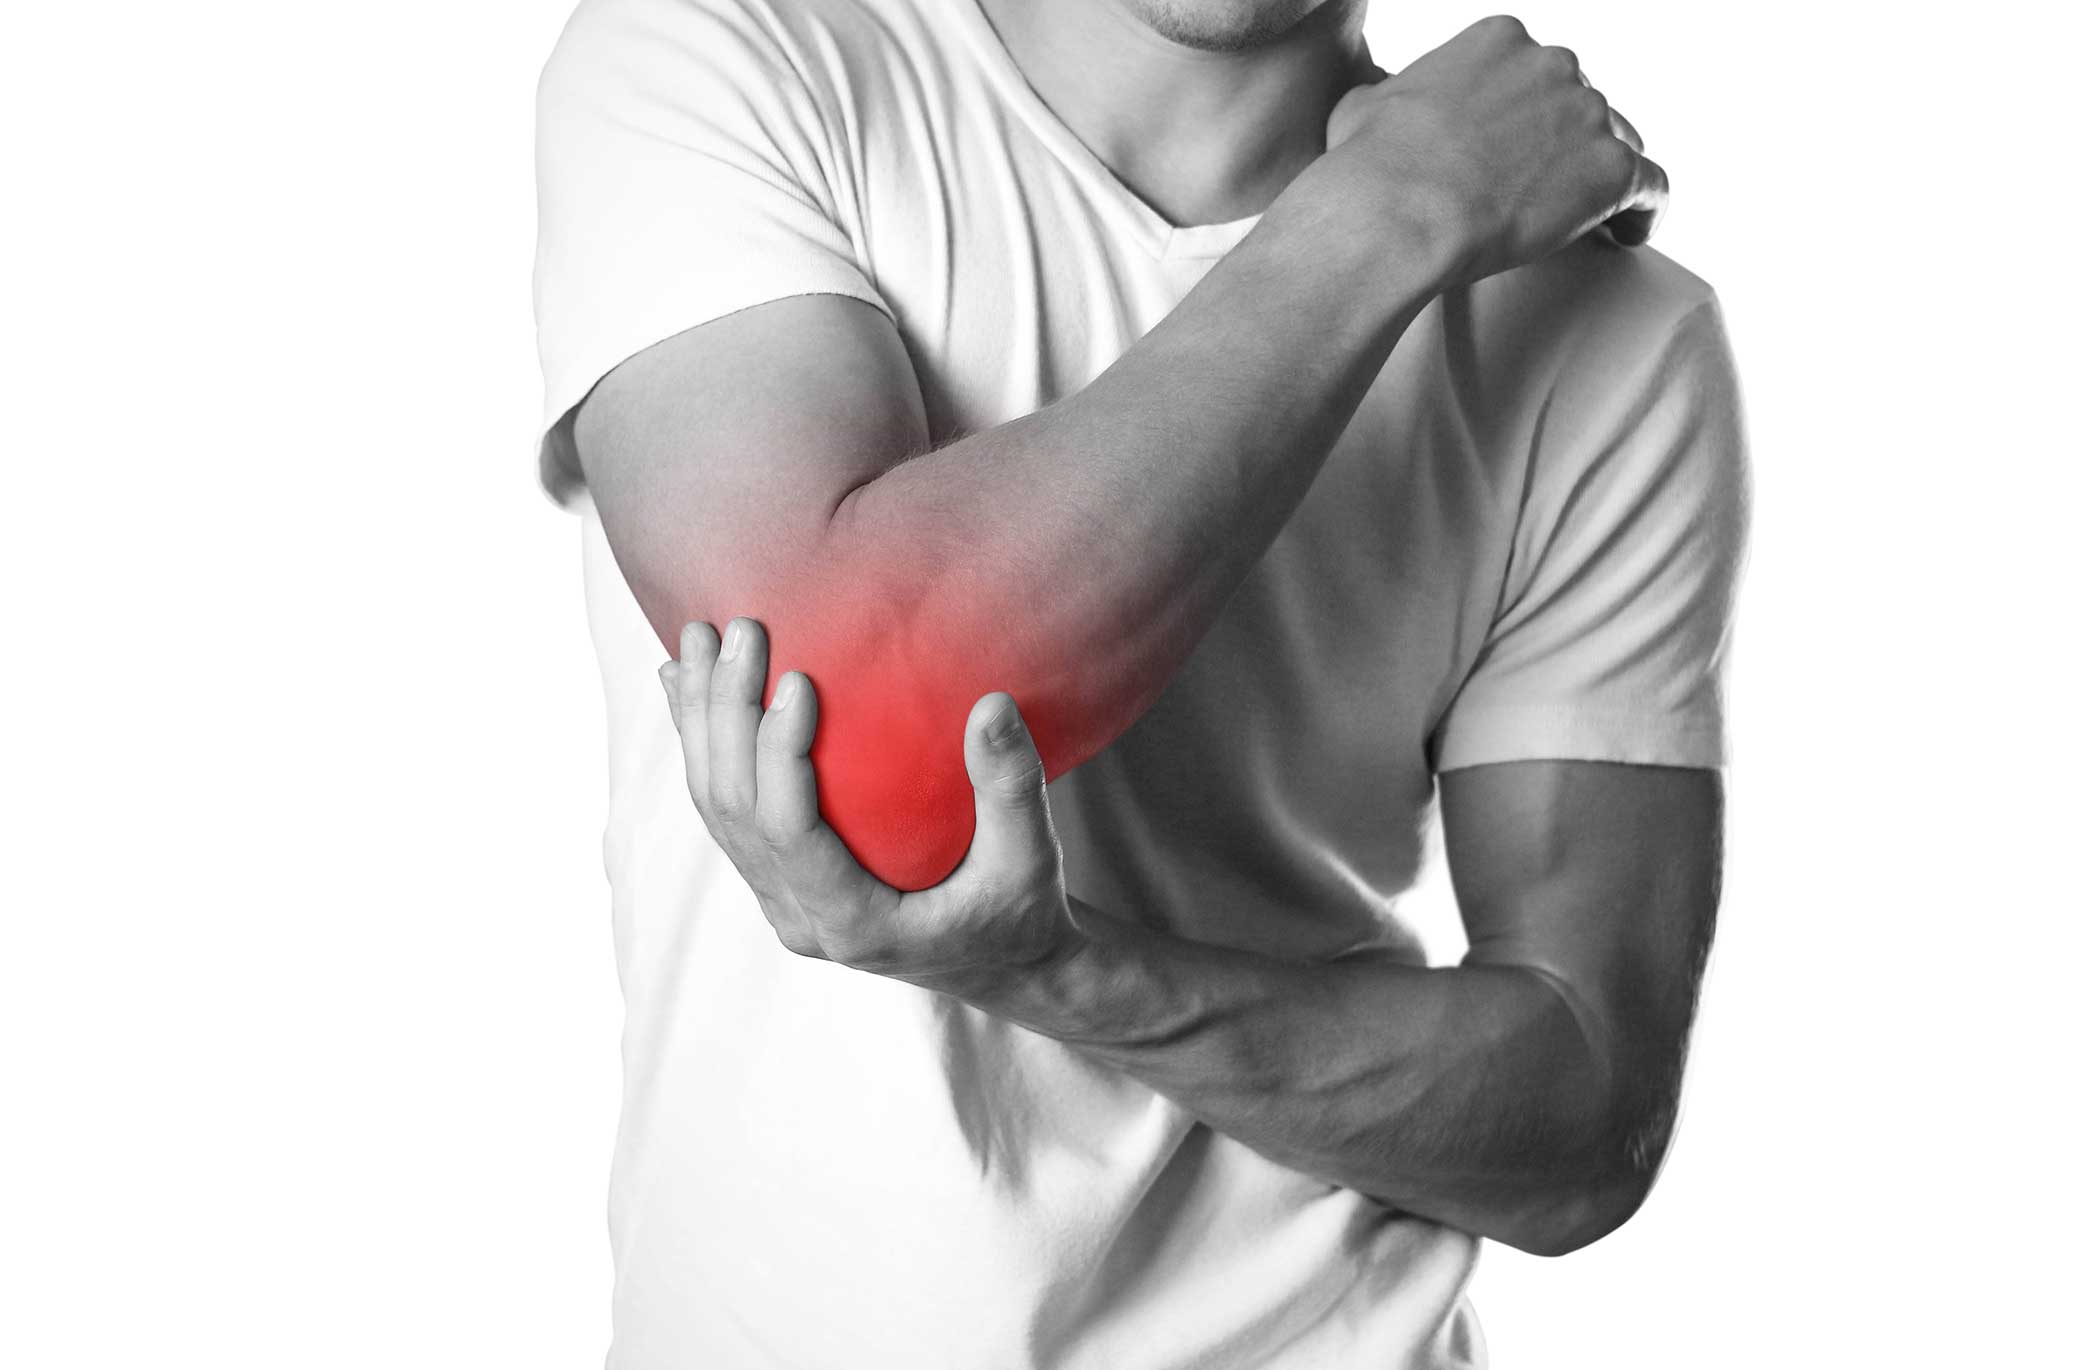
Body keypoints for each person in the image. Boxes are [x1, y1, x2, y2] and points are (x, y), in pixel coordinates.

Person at [531, 0, 1749, 1363]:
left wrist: (1067, 976)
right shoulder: (732, 56)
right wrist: (1389, 214)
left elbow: (1584, 1123)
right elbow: (858, 738)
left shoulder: (1609, 326)